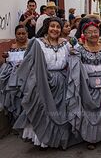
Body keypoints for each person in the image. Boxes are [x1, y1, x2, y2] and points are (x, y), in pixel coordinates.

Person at [13, 17, 79, 149]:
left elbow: (78, 54)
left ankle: (59, 139)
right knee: (42, 109)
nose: (55, 29)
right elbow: (28, 60)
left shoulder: (66, 44)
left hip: (62, 81)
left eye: (58, 27)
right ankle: (44, 139)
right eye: (52, 26)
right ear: (46, 27)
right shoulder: (37, 43)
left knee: (61, 111)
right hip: (42, 81)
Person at [67, 21, 101, 150]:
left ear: (99, 33)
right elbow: (74, 67)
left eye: (95, 32)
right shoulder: (79, 50)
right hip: (87, 86)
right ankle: (91, 138)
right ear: (84, 34)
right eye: (89, 32)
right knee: (89, 113)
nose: (93, 34)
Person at [0, 25, 28, 125]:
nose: (21, 36)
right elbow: (7, 61)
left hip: (26, 75)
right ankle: (15, 121)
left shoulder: (31, 46)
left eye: (23, 33)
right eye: (18, 34)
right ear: (15, 35)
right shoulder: (13, 47)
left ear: (27, 34)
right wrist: (6, 57)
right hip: (13, 75)